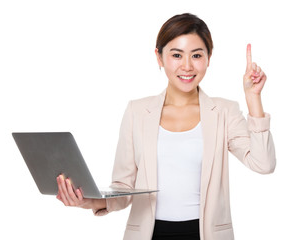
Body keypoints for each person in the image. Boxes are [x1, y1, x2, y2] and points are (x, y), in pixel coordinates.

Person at [56, 13, 276, 240]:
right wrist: (86, 200)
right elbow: (123, 189)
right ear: (159, 57)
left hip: (205, 234)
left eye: (197, 55)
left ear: (209, 58)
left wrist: (253, 98)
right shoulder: (137, 112)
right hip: (149, 234)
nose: (187, 66)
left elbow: (263, 163)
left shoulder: (223, 112)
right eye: (177, 55)